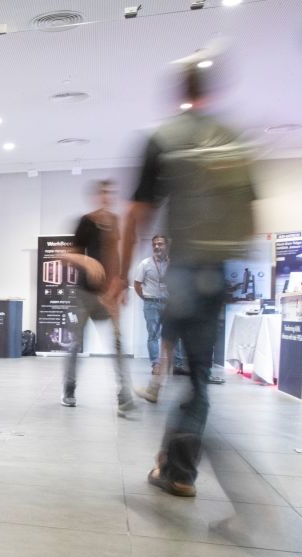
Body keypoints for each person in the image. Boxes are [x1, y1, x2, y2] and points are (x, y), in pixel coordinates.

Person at [114, 57, 256, 497]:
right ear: (212, 91)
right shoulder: (234, 142)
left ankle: (177, 465)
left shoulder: (164, 139)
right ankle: (175, 467)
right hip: (215, 273)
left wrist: (120, 276)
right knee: (196, 377)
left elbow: (138, 214)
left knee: (174, 358)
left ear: (181, 94)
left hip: (184, 272)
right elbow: (250, 220)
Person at [61, 179, 135, 416]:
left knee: (118, 343)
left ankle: (124, 395)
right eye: (103, 192)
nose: (107, 196)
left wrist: (121, 285)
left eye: (110, 193)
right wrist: (87, 261)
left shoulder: (115, 222)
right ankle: (69, 389)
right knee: (75, 344)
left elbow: (116, 255)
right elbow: (66, 256)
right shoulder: (86, 221)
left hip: (109, 295)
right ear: (96, 196)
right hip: (84, 293)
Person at [133, 235, 186, 403]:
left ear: (166, 245)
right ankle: (155, 365)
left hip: (170, 303)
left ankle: (177, 365)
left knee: (175, 335)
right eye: (154, 244)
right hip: (152, 304)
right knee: (153, 335)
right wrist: (147, 298)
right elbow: (137, 284)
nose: (157, 246)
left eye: (160, 243)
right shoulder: (145, 264)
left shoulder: (172, 263)